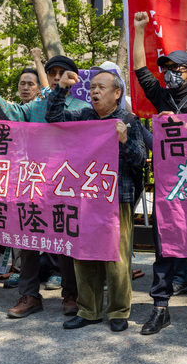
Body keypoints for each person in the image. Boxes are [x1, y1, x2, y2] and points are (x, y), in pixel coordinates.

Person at [0, 55, 91, 319]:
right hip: (33, 181)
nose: (55, 77)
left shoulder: (83, 107)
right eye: (51, 72)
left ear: (74, 78)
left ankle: (70, 293)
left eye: (61, 73)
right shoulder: (36, 105)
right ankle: (30, 294)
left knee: (65, 241)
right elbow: (10, 113)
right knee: (28, 238)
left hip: (66, 183)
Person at [132, 11, 187, 337]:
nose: (169, 74)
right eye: (166, 69)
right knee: (165, 248)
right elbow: (141, 70)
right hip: (169, 187)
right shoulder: (161, 97)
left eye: (176, 69)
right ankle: (160, 308)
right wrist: (140, 30)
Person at [46, 68, 147, 332]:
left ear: (117, 93)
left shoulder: (129, 121)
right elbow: (53, 118)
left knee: (117, 259)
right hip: (87, 198)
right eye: (91, 88)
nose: (94, 92)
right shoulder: (85, 117)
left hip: (117, 199)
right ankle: (88, 310)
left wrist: (124, 139)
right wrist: (62, 89)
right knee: (84, 256)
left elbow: (140, 161)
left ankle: (118, 312)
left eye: (101, 87)